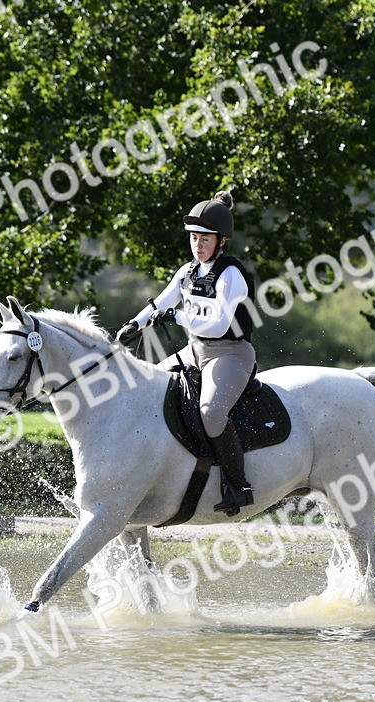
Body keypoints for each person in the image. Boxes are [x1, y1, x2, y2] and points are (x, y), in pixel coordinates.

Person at [116, 190, 258, 516]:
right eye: (194, 238)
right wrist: (134, 324)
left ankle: (238, 486)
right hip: (196, 350)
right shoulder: (188, 271)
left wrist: (177, 317)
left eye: (205, 239)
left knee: (211, 412)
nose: (198, 245)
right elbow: (162, 302)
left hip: (230, 354)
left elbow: (218, 326)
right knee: (146, 388)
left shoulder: (230, 274)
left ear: (221, 241)